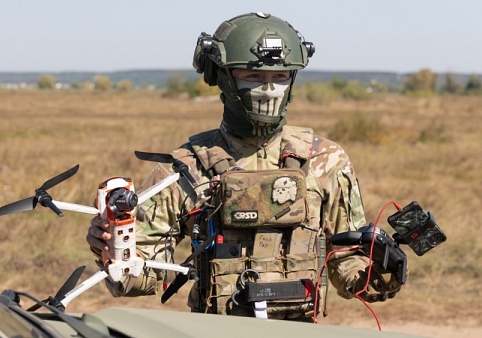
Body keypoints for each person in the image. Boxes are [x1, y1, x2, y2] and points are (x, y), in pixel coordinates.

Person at [86, 12, 403, 320]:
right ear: (223, 77)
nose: (269, 90)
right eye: (253, 76)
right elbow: (140, 278)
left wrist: (383, 270)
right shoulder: (186, 168)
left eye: (279, 77)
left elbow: (347, 269)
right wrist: (114, 249)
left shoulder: (325, 161)